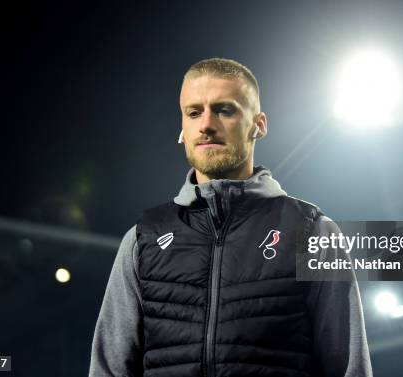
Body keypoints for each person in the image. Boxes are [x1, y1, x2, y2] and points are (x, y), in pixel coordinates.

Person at [89, 58, 372, 377]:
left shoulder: (314, 232)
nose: (206, 124)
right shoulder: (142, 240)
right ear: (182, 128)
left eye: (224, 110)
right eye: (194, 112)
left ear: (259, 125)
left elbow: (350, 370)